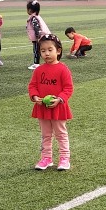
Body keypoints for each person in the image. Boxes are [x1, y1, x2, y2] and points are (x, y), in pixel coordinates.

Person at [28, 34, 73, 170]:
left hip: (58, 107)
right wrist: (35, 97)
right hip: (42, 108)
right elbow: (32, 86)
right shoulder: (39, 70)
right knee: (45, 135)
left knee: (61, 134)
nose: (46, 53)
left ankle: (64, 158)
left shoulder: (63, 69)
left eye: (50, 50)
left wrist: (59, 99)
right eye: (43, 51)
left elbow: (68, 88)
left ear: (58, 51)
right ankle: (46, 158)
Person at [25, 0, 51, 70]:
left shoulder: (34, 18)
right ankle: (47, 62)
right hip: (41, 37)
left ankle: (36, 64)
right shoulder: (37, 17)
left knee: (36, 50)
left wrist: (38, 37)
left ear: (30, 10)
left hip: (38, 38)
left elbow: (37, 28)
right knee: (41, 50)